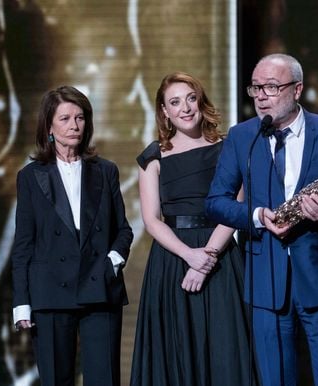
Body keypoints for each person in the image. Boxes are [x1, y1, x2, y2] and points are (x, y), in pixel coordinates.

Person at [206, 53, 318, 386]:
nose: (262, 96)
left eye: (271, 87)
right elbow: (216, 202)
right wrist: (255, 216)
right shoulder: (242, 137)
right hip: (266, 280)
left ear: (297, 90)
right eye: (256, 88)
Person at [130, 72, 256, 386]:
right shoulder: (153, 156)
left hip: (221, 258)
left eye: (190, 98)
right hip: (172, 261)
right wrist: (189, 256)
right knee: (176, 353)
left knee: (225, 349)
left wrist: (206, 259)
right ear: (164, 111)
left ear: (200, 102)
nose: (185, 108)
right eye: (175, 102)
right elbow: (151, 220)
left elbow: (234, 209)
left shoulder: (228, 148)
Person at [10, 85, 133, 386]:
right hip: (50, 291)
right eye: (65, 119)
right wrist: (21, 302)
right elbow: (24, 244)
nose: (74, 126)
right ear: (49, 126)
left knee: (104, 379)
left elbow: (124, 231)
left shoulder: (105, 171)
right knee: (56, 379)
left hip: (99, 287)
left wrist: (112, 262)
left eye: (80, 118)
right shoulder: (30, 176)